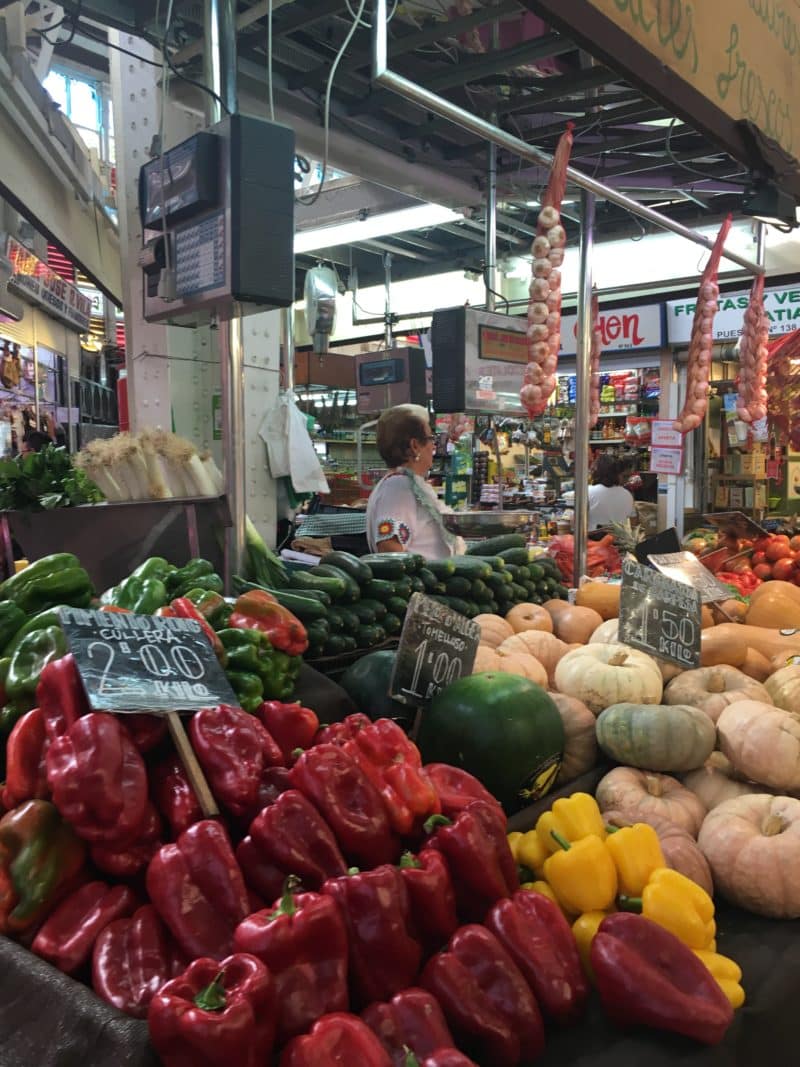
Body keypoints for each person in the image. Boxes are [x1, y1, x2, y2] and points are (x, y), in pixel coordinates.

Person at [366, 404, 464, 558]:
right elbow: (389, 550)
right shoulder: (398, 488)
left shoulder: (405, 484)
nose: (434, 445)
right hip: (424, 581)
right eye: (431, 438)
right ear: (415, 445)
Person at [587, 454, 636, 530]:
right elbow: (633, 523)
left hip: (592, 540)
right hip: (619, 540)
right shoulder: (627, 495)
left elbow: (575, 521)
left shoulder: (588, 491)